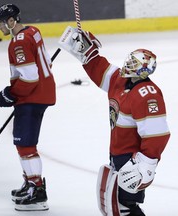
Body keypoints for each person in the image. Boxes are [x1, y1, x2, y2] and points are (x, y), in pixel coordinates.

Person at [59, 26, 171, 216]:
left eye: (133, 63)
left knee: (124, 205)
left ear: (143, 70)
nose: (128, 64)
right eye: (129, 60)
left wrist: (146, 166)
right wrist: (88, 53)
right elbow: (101, 70)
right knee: (116, 203)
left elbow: (157, 134)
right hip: (118, 153)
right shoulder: (120, 81)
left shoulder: (147, 94)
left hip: (132, 159)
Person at [0, 4, 56, 211]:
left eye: (2, 24)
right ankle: (30, 182)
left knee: (25, 145)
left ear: (12, 21)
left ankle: (36, 190)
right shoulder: (33, 32)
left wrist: (10, 94)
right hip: (43, 93)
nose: (0, 28)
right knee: (25, 143)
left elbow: (29, 78)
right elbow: (44, 63)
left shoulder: (17, 44)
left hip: (32, 97)